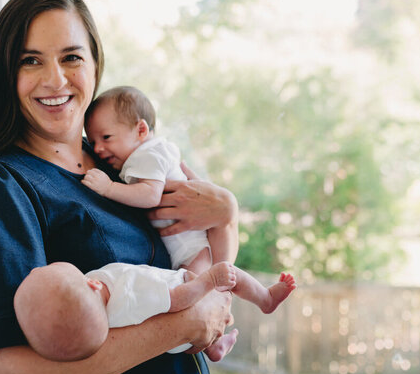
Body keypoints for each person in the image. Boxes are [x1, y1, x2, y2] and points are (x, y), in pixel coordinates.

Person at [0, 0, 236, 374]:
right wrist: (185, 323)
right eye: (30, 60)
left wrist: (227, 214)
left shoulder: (123, 166)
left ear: (95, 65)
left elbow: (198, 240)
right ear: (5, 74)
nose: (55, 79)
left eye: (71, 57)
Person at [82, 86, 297, 318]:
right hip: (191, 243)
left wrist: (109, 188)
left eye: (106, 137)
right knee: (216, 281)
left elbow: (149, 195)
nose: (98, 148)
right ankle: (260, 302)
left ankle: (262, 301)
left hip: (188, 247)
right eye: (92, 141)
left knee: (195, 293)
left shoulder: (146, 155)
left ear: (141, 130)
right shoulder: (152, 152)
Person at [14, 261, 243, 363]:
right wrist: (210, 280)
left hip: (179, 341)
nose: (35, 268)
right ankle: (215, 345)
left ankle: (215, 348)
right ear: (92, 283)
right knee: (233, 276)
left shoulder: (93, 317)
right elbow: (175, 301)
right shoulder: (126, 293)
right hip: (184, 306)